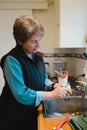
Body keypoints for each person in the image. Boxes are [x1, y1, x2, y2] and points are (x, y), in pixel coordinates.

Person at [0, 15, 70, 130]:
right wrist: (52, 94)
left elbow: (42, 78)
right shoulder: (12, 60)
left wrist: (53, 85)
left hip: (31, 113)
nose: (38, 46)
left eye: (39, 40)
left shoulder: (37, 56)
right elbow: (21, 94)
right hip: (13, 118)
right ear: (20, 41)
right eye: (34, 42)